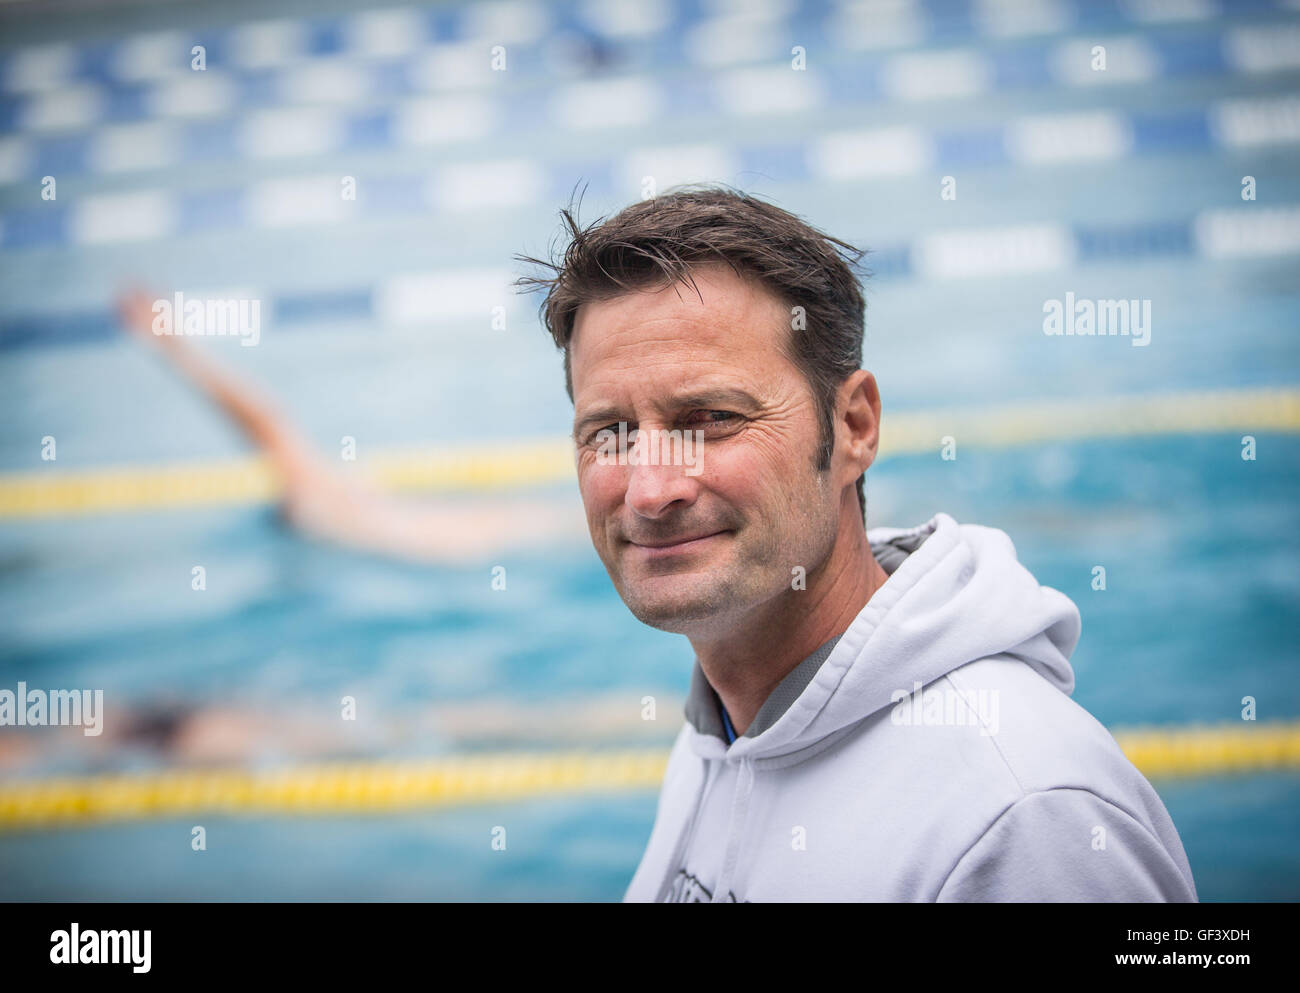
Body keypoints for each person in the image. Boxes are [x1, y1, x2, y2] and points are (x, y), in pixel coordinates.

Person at [515, 185, 1198, 902]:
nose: (651, 491)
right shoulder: (720, 736)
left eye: (712, 417)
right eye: (610, 433)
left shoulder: (1023, 816)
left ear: (854, 427)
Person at [118, 290, 586, 564]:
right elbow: (264, 420)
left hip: (480, 547)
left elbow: (263, 422)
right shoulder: (329, 499)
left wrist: (170, 345)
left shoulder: (321, 507)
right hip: (497, 537)